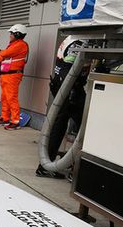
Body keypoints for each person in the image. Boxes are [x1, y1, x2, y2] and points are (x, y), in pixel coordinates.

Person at [36, 37, 89, 178]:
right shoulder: (80, 42)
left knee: (60, 126)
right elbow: (70, 67)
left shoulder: (73, 38)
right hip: (69, 88)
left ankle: (48, 165)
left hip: (65, 87)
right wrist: (71, 91)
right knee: (85, 127)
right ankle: (73, 168)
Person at [0, 24, 29, 130]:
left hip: (13, 75)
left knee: (11, 98)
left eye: (11, 33)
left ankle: (15, 121)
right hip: (7, 75)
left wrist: (2, 54)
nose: (10, 35)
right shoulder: (14, 44)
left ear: (17, 34)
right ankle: (5, 118)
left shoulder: (21, 45)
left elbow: (4, 53)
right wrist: (2, 55)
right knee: (4, 98)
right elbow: (3, 55)